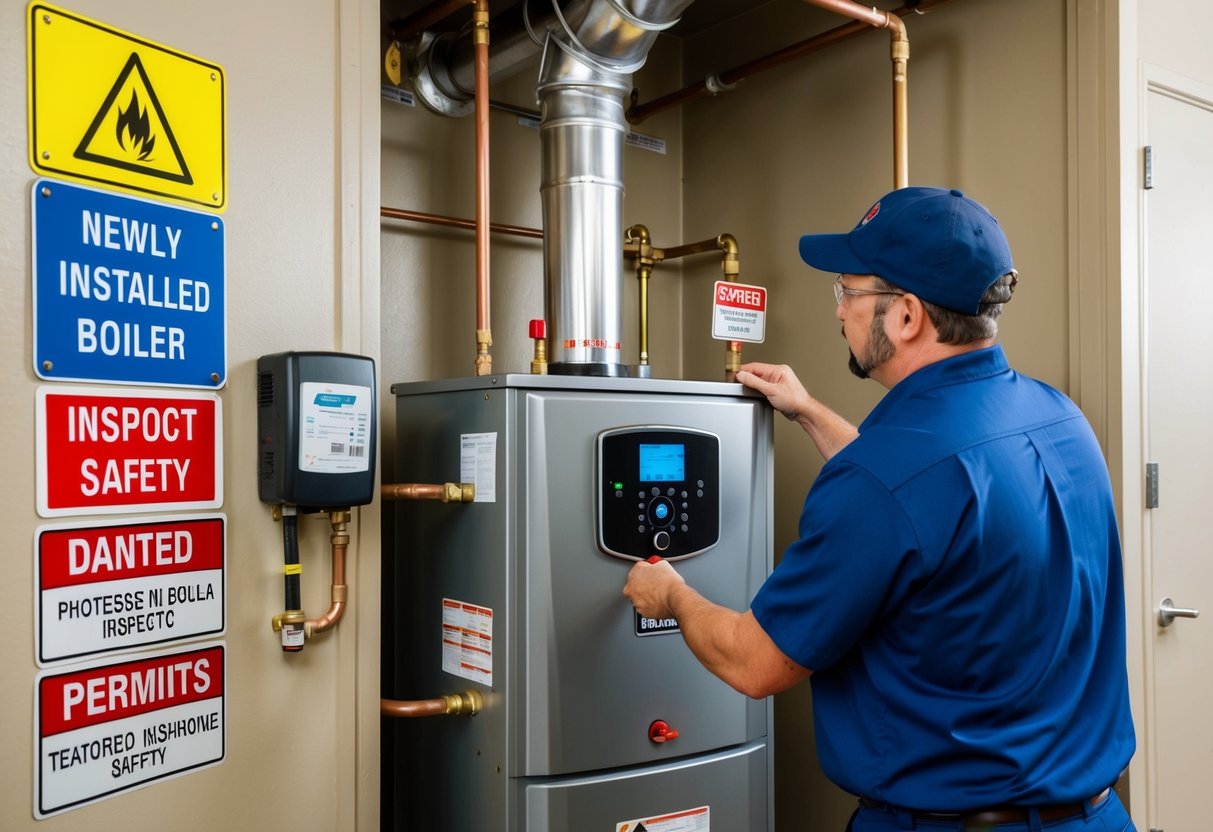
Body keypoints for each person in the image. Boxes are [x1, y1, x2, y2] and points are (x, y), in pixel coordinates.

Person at [623, 186, 1136, 832]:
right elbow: (933, 505)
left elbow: (753, 662)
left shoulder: (884, 479)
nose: (838, 312)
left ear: (906, 317)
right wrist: (809, 412)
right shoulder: (1058, 418)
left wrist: (668, 593)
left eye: (847, 292)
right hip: (1094, 816)